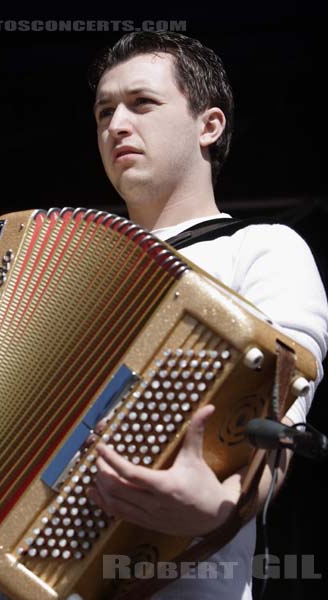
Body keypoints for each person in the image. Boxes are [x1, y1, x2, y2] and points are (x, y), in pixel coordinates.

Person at [83, 31, 328, 599]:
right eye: (103, 111)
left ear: (208, 125)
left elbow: (278, 416)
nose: (116, 124)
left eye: (141, 104)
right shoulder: (71, 267)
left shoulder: (264, 247)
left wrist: (223, 504)